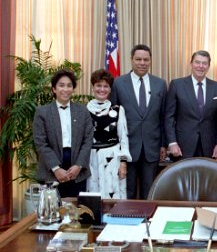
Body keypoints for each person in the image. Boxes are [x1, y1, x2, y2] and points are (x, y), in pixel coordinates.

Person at [110, 44, 167, 199]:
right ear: (132, 60)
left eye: (146, 60)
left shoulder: (160, 84)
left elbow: (163, 116)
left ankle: (148, 221)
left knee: (149, 191)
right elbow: (113, 117)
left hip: (152, 147)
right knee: (127, 190)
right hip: (127, 147)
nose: (142, 63)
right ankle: (127, 221)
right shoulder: (119, 83)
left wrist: (163, 144)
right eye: (138, 59)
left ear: (150, 61)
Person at [33, 69, 93, 198]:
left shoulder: (83, 111)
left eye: (69, 85)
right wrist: (56, 168)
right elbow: (40, 143)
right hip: (51, 168)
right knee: (53, 211)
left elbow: (88, 141)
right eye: (61, 85)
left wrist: (78, 165)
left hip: (77, 169)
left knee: (76, 211)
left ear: (73, 89)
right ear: (54, 89)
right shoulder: (42, 112)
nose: (65, 89)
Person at [165, 50, 217, 160]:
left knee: (206, 177)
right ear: (191, 64)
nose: (201, 66)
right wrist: (172, 142)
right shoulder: (177, 85)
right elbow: (169, 117)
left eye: (204, 63)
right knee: (183, 177)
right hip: (182, 147)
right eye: (197, 62)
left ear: (208, 66)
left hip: (209, 147)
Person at [86, 70, 132, 199]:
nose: (102, 89)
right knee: (94, 197)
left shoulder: (117, 110)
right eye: (98, 85)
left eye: (105, 86)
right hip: (92, 160)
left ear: (110, 89)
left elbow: (123, 137)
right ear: (93, 87)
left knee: (114, 195)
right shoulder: (84, 110)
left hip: (113, 159)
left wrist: (123, 163)